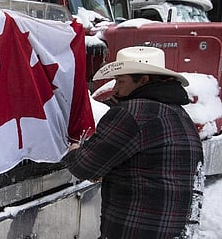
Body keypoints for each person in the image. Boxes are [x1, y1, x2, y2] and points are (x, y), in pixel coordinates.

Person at [62, 46, 204, 239]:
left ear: (143, 80)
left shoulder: (132, 113)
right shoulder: (179, 114)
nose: (115, 88)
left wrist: (74, 150)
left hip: (135, 229)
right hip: (171, 229)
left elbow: (85, 167)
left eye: (121, 81)